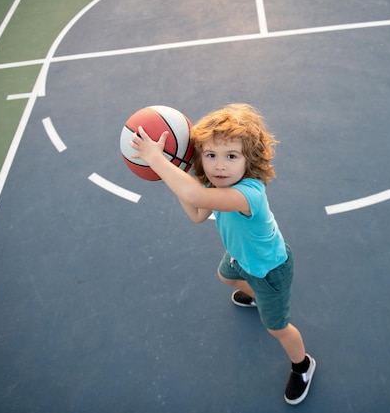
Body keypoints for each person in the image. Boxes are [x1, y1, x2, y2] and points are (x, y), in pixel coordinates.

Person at [130, 103, 315, 405]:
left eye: (231, 156)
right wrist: (172, 174)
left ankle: (303, 365)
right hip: (239, 258)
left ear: (249, 160)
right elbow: (197, 213)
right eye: (211, 155)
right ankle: (253, 295)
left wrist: (157, 160)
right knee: (224, 276)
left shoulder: (248, 193)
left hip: (268, 271)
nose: (219, 166)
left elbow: (195, 195)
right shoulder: (214, 183)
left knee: (277, 328)